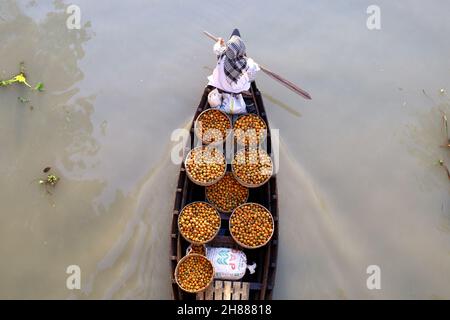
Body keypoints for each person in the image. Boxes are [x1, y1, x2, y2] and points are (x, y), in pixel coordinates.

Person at [207, 29, 260, 116]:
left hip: (220, 86)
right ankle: (246, 101)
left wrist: (219, 42)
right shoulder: (247, 64)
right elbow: (252, 77)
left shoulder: (222, 53)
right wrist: (253, 64)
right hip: (237, 90)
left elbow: (216, 49)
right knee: (248, 79)